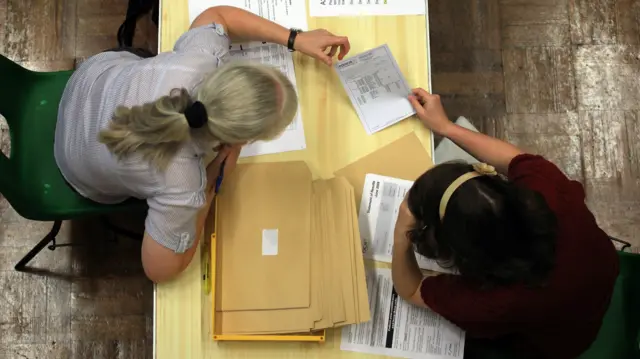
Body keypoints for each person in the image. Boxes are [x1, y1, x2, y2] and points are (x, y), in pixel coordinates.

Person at [54, 6, 351, 283]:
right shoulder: (181, 182)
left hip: (89, 80)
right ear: (243, 140)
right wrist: (207, 188)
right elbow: (158, 269)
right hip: (73, 162)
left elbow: (217, 14)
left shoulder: (202, 59)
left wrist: (295, 38)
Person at [391, 88, 619, 358]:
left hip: (555, 342)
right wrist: (446, 128)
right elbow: (512, 158)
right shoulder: (547, 191)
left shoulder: (497, 301)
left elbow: (412, 289)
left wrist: (401, 235)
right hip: (593, 285)